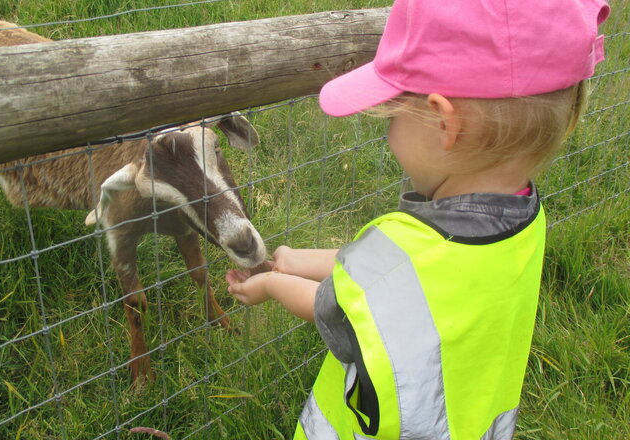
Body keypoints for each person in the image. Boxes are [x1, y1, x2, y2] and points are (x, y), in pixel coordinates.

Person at [225, 0, 611, 438]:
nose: (388, 131)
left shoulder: (404, 243)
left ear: (444, 123)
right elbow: (392, 276)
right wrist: (293, 260)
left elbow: (335, 306)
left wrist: (273, 284)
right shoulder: (525, 219)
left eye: (392, 112)